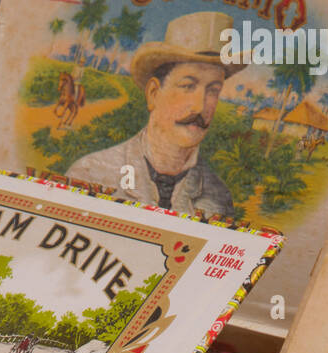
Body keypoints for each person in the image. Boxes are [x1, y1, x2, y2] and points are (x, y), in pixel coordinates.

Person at [68, 11, 240, 218]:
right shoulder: (91, 174)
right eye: (187, 86)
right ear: (153, 94)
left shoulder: (218, 198)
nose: (199, 106)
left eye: (213, 90)